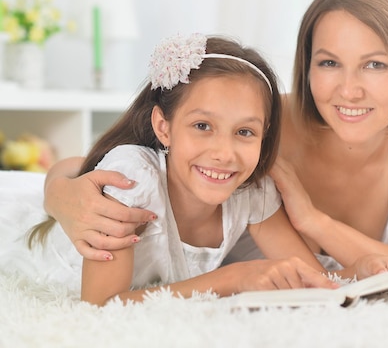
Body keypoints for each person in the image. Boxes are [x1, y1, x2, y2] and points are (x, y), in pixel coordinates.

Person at [42, 0, 388, 282]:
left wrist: (315, 222)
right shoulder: (259, 125)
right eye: (329, 63)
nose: (349, 90)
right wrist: (59, 195)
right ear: (306, 66)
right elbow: (119, 160)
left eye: (375, 65)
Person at [4, 33, 344, 307]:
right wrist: (231, 279)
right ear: (163, 127)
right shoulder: (134, 180)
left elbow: (315, 280)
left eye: (245, 132)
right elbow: (100, 306)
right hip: (20, 235)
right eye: (202, 125)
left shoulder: (251, 189)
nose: (225, 154)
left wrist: (363, 271)